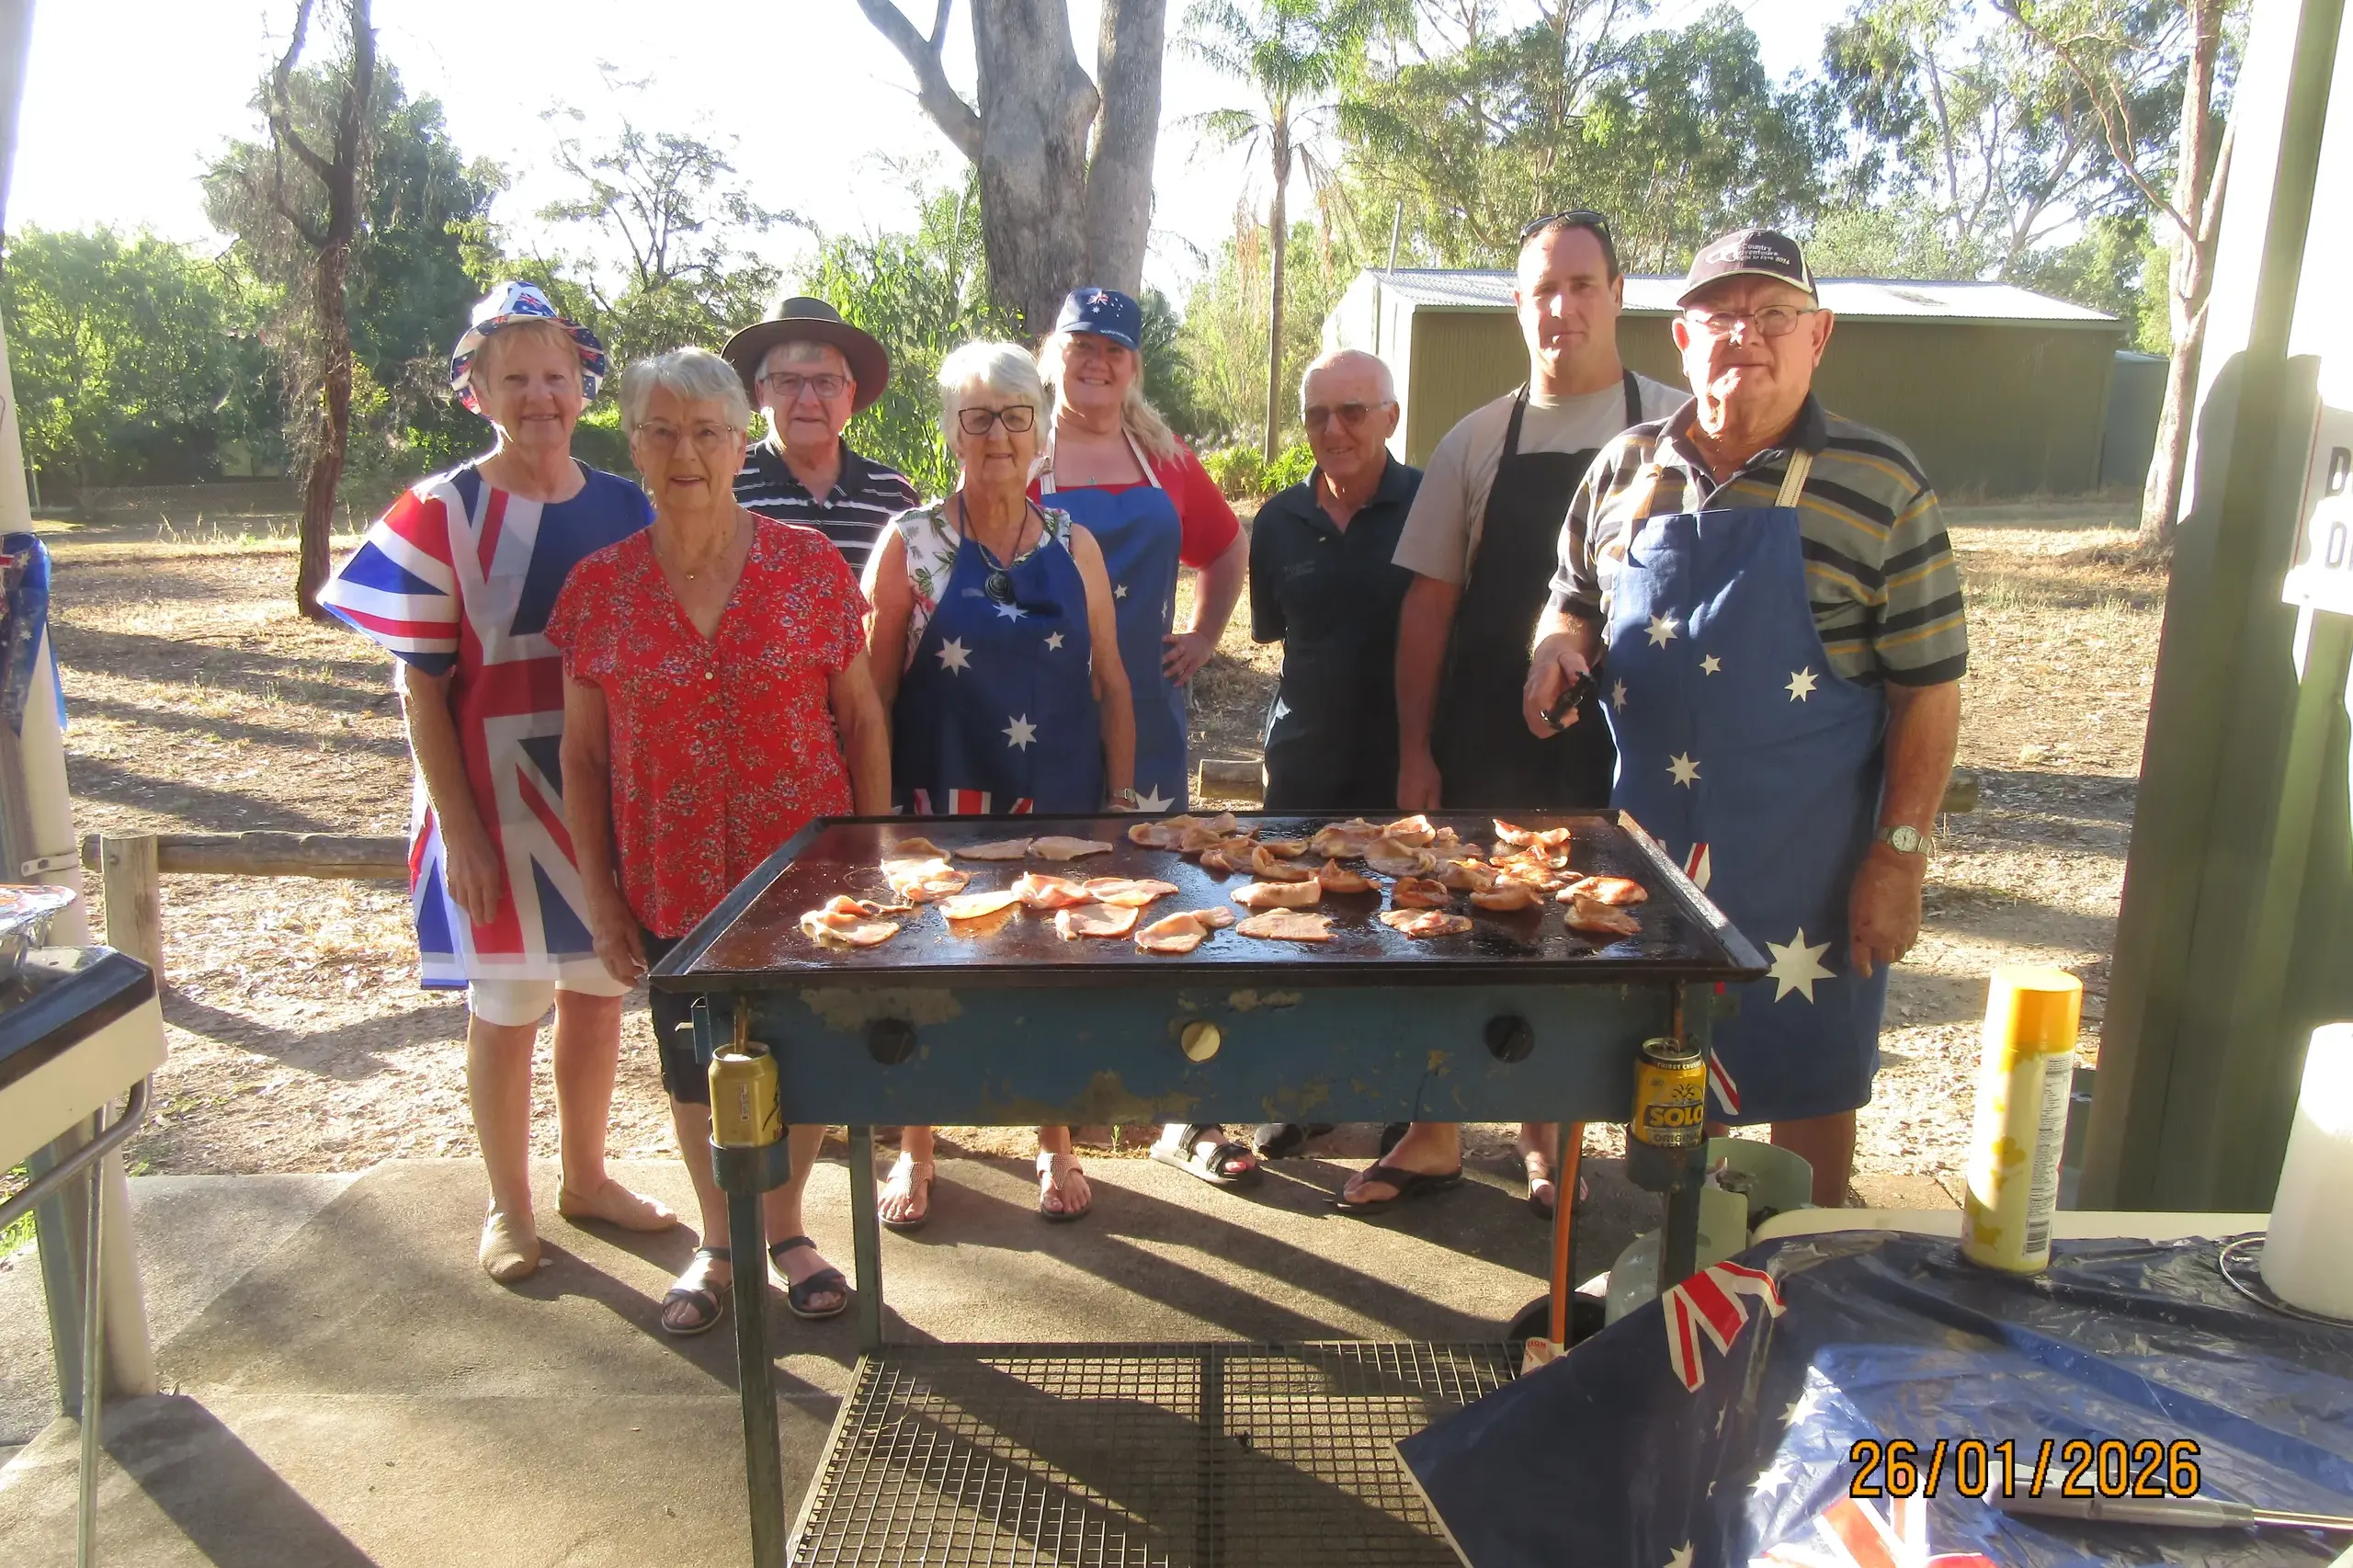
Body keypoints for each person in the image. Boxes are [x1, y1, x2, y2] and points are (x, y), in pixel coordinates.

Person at [1522, 228, 1966, 1208]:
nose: (1747, 336)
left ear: (1820, 335)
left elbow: (1928, 686)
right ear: (1682, 337)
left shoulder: (1881, 484)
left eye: (1775, 314)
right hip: (1652, 859)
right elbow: (1569, 594)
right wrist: (1555, 645)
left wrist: (1899, 854)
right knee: (1660, 1071)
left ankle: (1792, 1269)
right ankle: (1675, 1270)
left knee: (1809, 1073)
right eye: (1722, 315)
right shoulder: (1625, 465)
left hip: (1811, 865)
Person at [319, 281, 675, 1283]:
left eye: (556, 376)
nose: (539, 396)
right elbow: (421, 689)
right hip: (497, 808)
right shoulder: (442, 510)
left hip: (602, 803)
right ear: (474, 388)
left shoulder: (624, 504)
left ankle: (587, 1175)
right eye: (513, 377)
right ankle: (508, 1205)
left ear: (584, 385)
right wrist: (462, 831)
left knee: (600, 993)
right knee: (509, 1003)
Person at [549, 347, 892, 1333]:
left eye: (706, 431)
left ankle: (784, 1228)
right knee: (695, 1063)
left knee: (807, 1056)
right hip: (670, 878)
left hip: (806, 877)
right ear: (635, 447)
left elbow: (861, 718)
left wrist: (869, 855)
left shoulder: (807, 567)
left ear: (742, 442)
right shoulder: (598, 590)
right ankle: (718, 1237)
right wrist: (602, 893)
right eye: (661, 431)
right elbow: (580, 757)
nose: (685, 451)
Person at [1359, 212, 1680, 1217]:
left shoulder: (1677, 428)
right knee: (1449, 928)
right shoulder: (1474, 439)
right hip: (1482, 739)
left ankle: (1552, 1142)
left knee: (1583, 942)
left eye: (1581, 285)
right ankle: (1436, 1129)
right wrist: (1414, 748)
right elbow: (1427, 607)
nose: (1562, 307)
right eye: (1542, 289)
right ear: (1516, 304)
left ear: (1618, 294)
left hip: (1622, 747)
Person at [863, 341, 1136, 1226]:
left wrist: (1121, 810)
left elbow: (1114, 686)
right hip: (940, 808)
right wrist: (872, 828)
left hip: (1058, 810)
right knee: (928, 980)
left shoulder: (1075, 544)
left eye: (1016, 417)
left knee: (1048, 978)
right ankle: (916, 1150)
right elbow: (871, 699)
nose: (996, 436)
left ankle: (1053, 1146)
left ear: (1038, 434)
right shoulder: (909, 545)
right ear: (949, 432)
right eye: (976, 417)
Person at [1031, 286, 1261, 1187]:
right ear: (1054, 351)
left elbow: (1227, 545)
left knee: (1164, 897)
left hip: (1153, 721)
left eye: (1114, 351)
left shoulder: (1163, 456)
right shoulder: (1020, 446)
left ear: (1133, 367)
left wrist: (1203, 636)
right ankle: (1057, 1125)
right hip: (1046, 720)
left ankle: (1182, 1108)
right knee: (1053, 905)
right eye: (1082, 345)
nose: (1097, 363)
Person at [1233, 348, 1422, 1166]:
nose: (1333, 430)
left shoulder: (1431, 505)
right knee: (1296, 927)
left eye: (1352, 411)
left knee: (1403, 930)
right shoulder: (1277, 520)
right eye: (1318, 414)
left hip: (1406, 761)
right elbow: (1276, 637)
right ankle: (1296, 1096)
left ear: (1391, 416)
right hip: (1303, 762)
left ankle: (1404, 1106)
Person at [721, 295, 918, 579]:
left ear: (849, 395)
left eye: (826, 382)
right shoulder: (725, 485)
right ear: (761, 391)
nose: (808, 399)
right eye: (788, 381)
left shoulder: (894, 496)